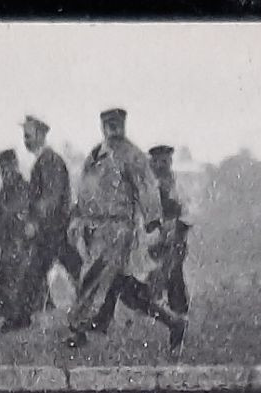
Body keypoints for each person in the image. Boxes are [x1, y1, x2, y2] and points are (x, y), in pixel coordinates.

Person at [64, 108, 185, 352]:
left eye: (117, 123)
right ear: (102, 126)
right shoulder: (95, 155)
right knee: (130, 292)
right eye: (108, 124)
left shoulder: (132, 155)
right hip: (95, 228)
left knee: (93, 275)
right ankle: (174, 322)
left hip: (119, 229)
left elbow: (147, 187)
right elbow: (84, 191)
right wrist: (76, 218)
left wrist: (153, 221)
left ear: (124, 124)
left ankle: (78, 329)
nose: (113, 128)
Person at [7, 115, 82, 328]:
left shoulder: (49, 161)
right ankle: (19, 318)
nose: (26, 141)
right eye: (25, 136)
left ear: (41, 135)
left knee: (35, 271)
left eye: (29, 136)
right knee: (68, 269)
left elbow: (51, 197)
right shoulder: (45, 160)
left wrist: (35, 222)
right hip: (54, 228)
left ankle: (19, 319)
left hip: (53, 229)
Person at [0, 150, 33, 322]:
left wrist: (2, 214)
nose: (5, 173)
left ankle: (20, 313)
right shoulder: (3, 193)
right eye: (2, 169)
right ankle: (9, 313)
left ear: (15, 166)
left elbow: (22, 213)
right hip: (9, 244)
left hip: (23, 245)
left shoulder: (25, 189)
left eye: (8, 168)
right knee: (5, 280)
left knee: (21, 279)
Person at [144, 145, 191, 316]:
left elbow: (185, 211)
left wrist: (176, 229)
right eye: (156, 162)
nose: (160, 165)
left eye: (164, 161)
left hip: (174, 236)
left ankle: (178, 309)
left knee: (173, 273)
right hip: (153, 236)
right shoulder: (147, 185)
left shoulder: (176, 184)